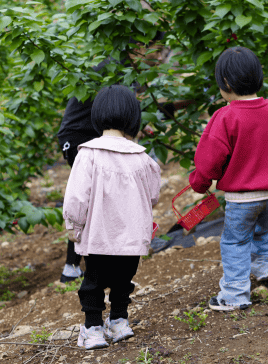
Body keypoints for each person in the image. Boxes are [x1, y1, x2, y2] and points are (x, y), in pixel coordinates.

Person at [57, 39, 195, 283]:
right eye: (158, 50)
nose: (160, 57)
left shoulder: (129, 72)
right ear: (140, 46)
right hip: (80, 137)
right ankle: (79, 265)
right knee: (91, 196)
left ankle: (87, 263)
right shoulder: (115, 70)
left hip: (102, 136)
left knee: (101, 197)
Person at [187, 46, 268, 311]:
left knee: (235, 241)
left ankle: (234, 295)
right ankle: (266, 267)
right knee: (266, 228)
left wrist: (199, 183)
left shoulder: (225, 117)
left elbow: (209, 159)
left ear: (225, 82)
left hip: (244, 197)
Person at [63, 85, 162, 349]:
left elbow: (76, 198)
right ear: (133, 118)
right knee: (123, 282)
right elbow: (153, 194)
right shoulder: (142, 157)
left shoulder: (87, 154)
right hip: (131, 241)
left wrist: (73, 225)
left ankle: (93, 327)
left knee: (92, 283)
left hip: (98, 238)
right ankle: (119, 322)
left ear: (96, 116)